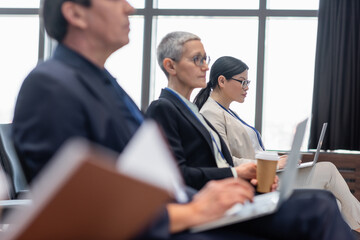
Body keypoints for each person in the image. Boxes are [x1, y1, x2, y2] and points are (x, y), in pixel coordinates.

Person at [11, 1, 354, 238]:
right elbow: (76, 210)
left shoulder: (103, 84)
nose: (129, 6)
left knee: (318, 206)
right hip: (161, 224)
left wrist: (212, 191)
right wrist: (192, 208)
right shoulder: (50, 86)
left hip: (176, 208)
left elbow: (151, 174)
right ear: (75, 13)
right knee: (317, 211)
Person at [194, 55, 360, 232]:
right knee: (327, 170)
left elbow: (250, 151)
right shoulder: (211, 113)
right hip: (258, 182)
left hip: (268, 175)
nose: (247, 87)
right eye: (242, 82)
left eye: (247, 81)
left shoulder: (226, 112)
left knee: (335, 203)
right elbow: (224, 162)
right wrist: (272, 163)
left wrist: (277, 160)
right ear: (222, 80)